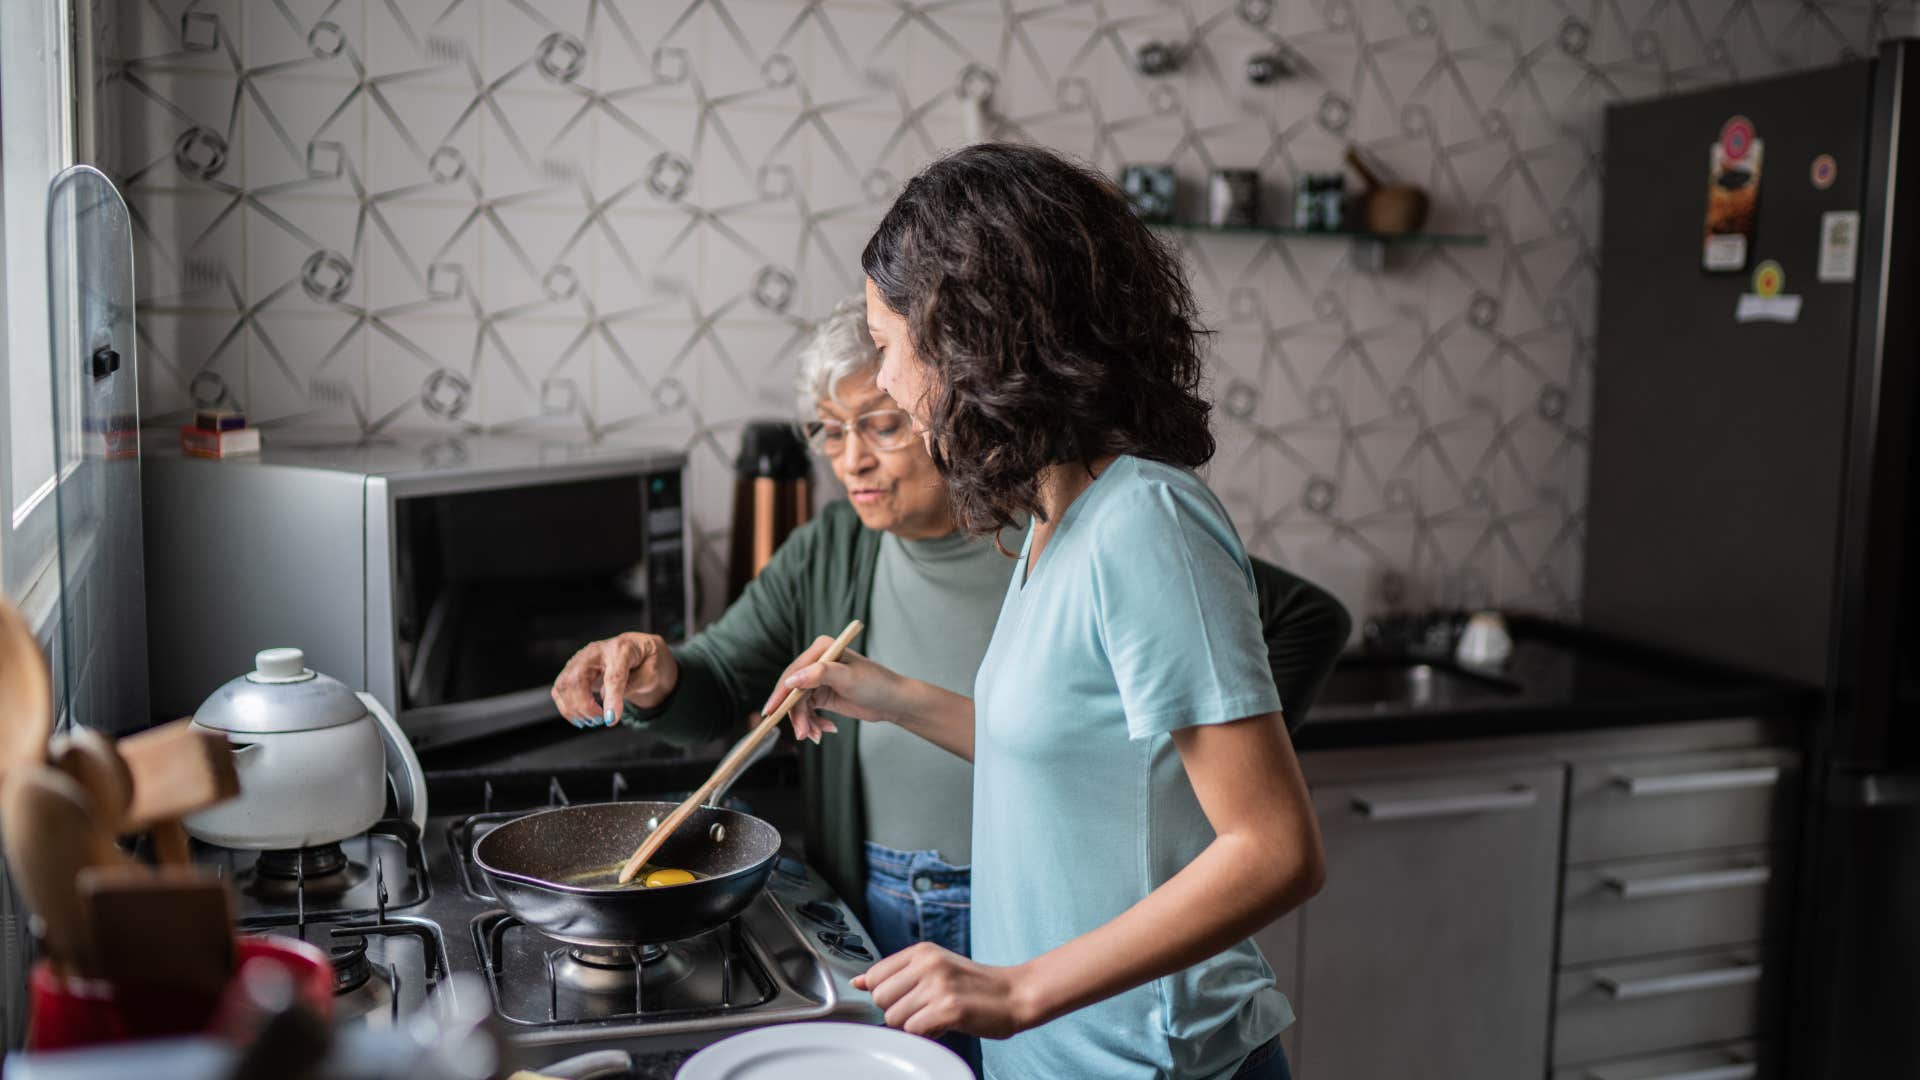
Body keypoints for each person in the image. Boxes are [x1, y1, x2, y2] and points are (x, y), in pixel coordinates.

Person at [770, 143, 1328, 1080]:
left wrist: (1016, 991)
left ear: (972, 338)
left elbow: (1275, 850)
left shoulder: (1145, 520)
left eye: (892, 342)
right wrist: (896, 697)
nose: (894, 381)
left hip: (1158, 1064)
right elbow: (1082, 765)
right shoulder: (1048, 522)